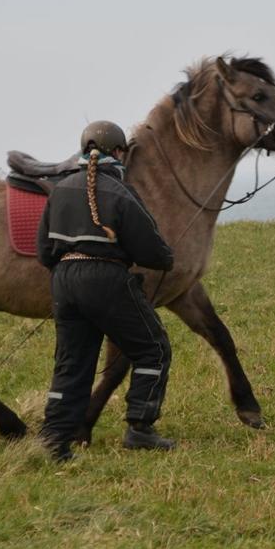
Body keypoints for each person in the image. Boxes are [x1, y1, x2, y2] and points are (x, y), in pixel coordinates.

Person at [35, 120, 175, 461]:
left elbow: (43, 251)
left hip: (64, 280)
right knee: (153, 348)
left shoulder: (61, 189)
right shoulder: (121, 191)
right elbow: (152, 252)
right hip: (107, 280)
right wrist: (167, 258)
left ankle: (54, 441)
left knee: (72, 363)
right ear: (118, 152)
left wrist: (70, 273)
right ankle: (140, 428)